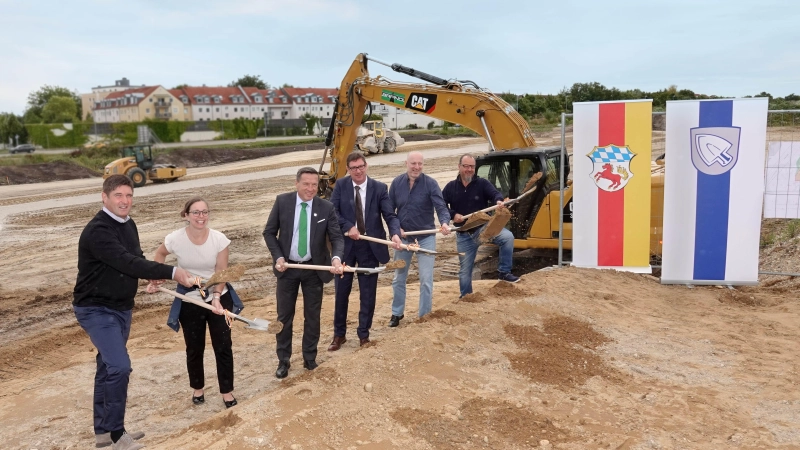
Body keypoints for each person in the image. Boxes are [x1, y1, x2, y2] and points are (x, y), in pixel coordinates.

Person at [73, 175, 195, 450]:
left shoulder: (129, 224)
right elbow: (125, 261)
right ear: (104, 197)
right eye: (118, 195)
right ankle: (117, 435)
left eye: (129, 196)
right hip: (95, 308)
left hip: (122, 308)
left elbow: (136, 260)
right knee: (119, 366)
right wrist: (172, 271)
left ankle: (103, 432)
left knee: (107, 367)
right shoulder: (98, 231)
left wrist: (150, 277)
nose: (125, 201)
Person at [147, 197, 243, 409]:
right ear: (186, 215)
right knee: (194, 347)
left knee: (223, 346)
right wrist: (156, 277)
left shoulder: (219, 239)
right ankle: (197, 388)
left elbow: (221, 272)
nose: (201, 216)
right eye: (196, 212)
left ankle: (227, 391)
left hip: (218, 295)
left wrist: (217, 298)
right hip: (189, 298)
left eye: (205, 212)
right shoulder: (176, 238)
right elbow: (160, 254)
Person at [263, 167, 345, 379]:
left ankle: (310, 358)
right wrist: (278, 257)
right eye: (306, 184)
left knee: (312, 316)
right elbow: (269, 232)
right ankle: (283, 360)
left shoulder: (326, 207)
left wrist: (336, 258)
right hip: (287, 269)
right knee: (284, 317)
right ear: (296, 183)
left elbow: (336, 238)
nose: (310, 189)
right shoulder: (282, 202)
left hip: (313, 270)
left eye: (314, 185)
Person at [328, 153, 402, 350]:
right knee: (341, 293)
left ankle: (364, 334)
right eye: (353, 168)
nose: (358, 171)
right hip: (346, 248)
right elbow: (332, 211)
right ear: (348, 169)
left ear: (366, 166)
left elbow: (390, 215)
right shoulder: (341, 186)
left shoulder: (379, 188)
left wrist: (395, 234)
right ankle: (339, 334)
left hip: (370, 248)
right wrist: (348, 226)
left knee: (368, 294)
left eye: (361, 166)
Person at [442, 154, 520, 298]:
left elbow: (495, 194)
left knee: (507, 237)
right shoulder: (450, 187)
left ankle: (504, 273)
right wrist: (453, 215)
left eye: (472, 166)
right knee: (465, 270)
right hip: (464, 234)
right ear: (459, 167)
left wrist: (498, 201)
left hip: (483, 229)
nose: (469, 169)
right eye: (466, 166)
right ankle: (466, 297)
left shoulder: (482, 183)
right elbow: (441, 205)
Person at [388, 151, 451, 327]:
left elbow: (441, 207)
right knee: (398, 278)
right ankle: (396, 313)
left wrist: (445, 222)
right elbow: (388, 211)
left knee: (425, 280)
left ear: (423, 165)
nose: (416, 167)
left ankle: (424, 316)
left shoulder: (431, 184)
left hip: (425, 238)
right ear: (406, 163)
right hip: (403, 239)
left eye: (420, 164)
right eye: (413, 163)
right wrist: (395, 229)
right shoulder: (396, 183)